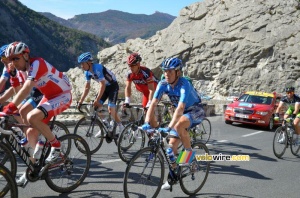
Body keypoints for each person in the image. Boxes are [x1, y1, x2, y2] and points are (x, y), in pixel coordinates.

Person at [141, 57, 205, 190]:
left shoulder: (184, 84)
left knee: (178, 124)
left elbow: (181, 108)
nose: (166, 74)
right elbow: (153, 103)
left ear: (178, 72)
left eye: (170, 71)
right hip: (181, 114)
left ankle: (190, 156)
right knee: (171, 147)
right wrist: (147, 122)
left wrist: (169, 128)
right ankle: (173, 175)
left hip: (195, 110)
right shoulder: (163, 84)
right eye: (165, 71)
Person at [4, 41, 72, 165]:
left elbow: (27, 89)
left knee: (32, 117)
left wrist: (9, 107)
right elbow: (19, 91)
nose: (13, 63)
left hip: (63, 95)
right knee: (30, 132)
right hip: (49, 97)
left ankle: (56, 146)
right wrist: (13, 76)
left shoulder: (37, 63)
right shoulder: (21, 70)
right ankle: (35, 166)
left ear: (25, 55)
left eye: (15, 58)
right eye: (10, 60)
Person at [77, 52, 124, 139]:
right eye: (81, 64)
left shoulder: (97, 68)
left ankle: (121, 127)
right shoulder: (87, 73)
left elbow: (102, 84)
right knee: (95, 107)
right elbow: (87, 88)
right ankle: (106, 126)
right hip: (105, 88)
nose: (81, 66)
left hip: (112, 86)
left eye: (83, 64)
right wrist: (80, 101)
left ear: (89, 63)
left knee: (111, 109)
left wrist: (97, 99)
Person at [124, 53, 158, 124]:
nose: (131, 68)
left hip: (155, 91)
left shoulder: (146, 72)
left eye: (133, 65)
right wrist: (127, 100)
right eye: (129, 66)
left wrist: (150, 102)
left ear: (138, 65)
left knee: (150, 112)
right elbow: (128, 87)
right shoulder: (129, 74)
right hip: (146, 93)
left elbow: (152, 89)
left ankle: (155, 130)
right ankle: (151, 132)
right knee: (146, 113)